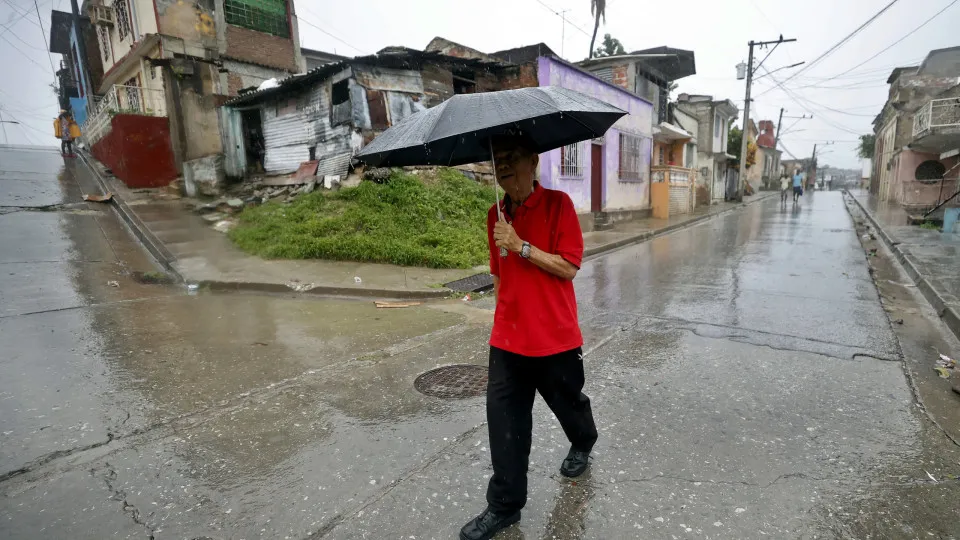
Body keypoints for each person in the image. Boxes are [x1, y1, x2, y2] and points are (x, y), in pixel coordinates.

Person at [460, 135, 598, 540]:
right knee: (504, 423)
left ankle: (583, 441)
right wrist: (500, 321)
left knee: (569, 404)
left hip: (555, 338)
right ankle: (504, 506)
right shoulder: (495, 216)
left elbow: (569, 266)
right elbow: (499, 278)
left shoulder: (559, 206)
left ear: (533, 162)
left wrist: (521, 246)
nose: (502, 166)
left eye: (511, 158)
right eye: (497, 160)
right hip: (508, 341)